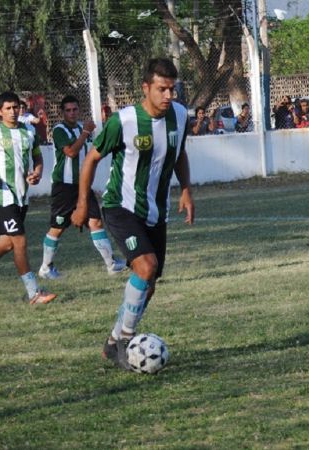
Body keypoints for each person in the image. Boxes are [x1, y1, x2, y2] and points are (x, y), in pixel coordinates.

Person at [71, 57, 195, 371]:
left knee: (149, 282)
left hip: (157, 211)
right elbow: (91, 160)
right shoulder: (123, 121)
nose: (169, 96)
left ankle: (113, 342)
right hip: (120, 207)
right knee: (146, 265)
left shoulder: (179, 116)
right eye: (162, 89)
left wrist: (186, 190)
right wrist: (83, 204)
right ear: (146, 88)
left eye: (172, 89)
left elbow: (179, 153)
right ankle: (126, 340)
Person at [38, 95, 127, 280]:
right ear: (62, 112)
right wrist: (86, 132)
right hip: (64, 186)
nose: (72, 113)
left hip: (82, 185)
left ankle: (111, 265)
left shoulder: (81, 128)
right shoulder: (59, 130)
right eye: (68, 110)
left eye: (75, 109)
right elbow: (71, 152)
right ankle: (45, 268)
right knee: (58, 226)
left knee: (95, 221)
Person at [0, 91, 56, 304]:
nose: (13, 112)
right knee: (20, 242)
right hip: (3, 196)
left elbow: (37, 156)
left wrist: (38, 171)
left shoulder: (29, 131)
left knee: (6, 244)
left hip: (21, 196)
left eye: (16, 107)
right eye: (8, 108)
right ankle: (34, 293)